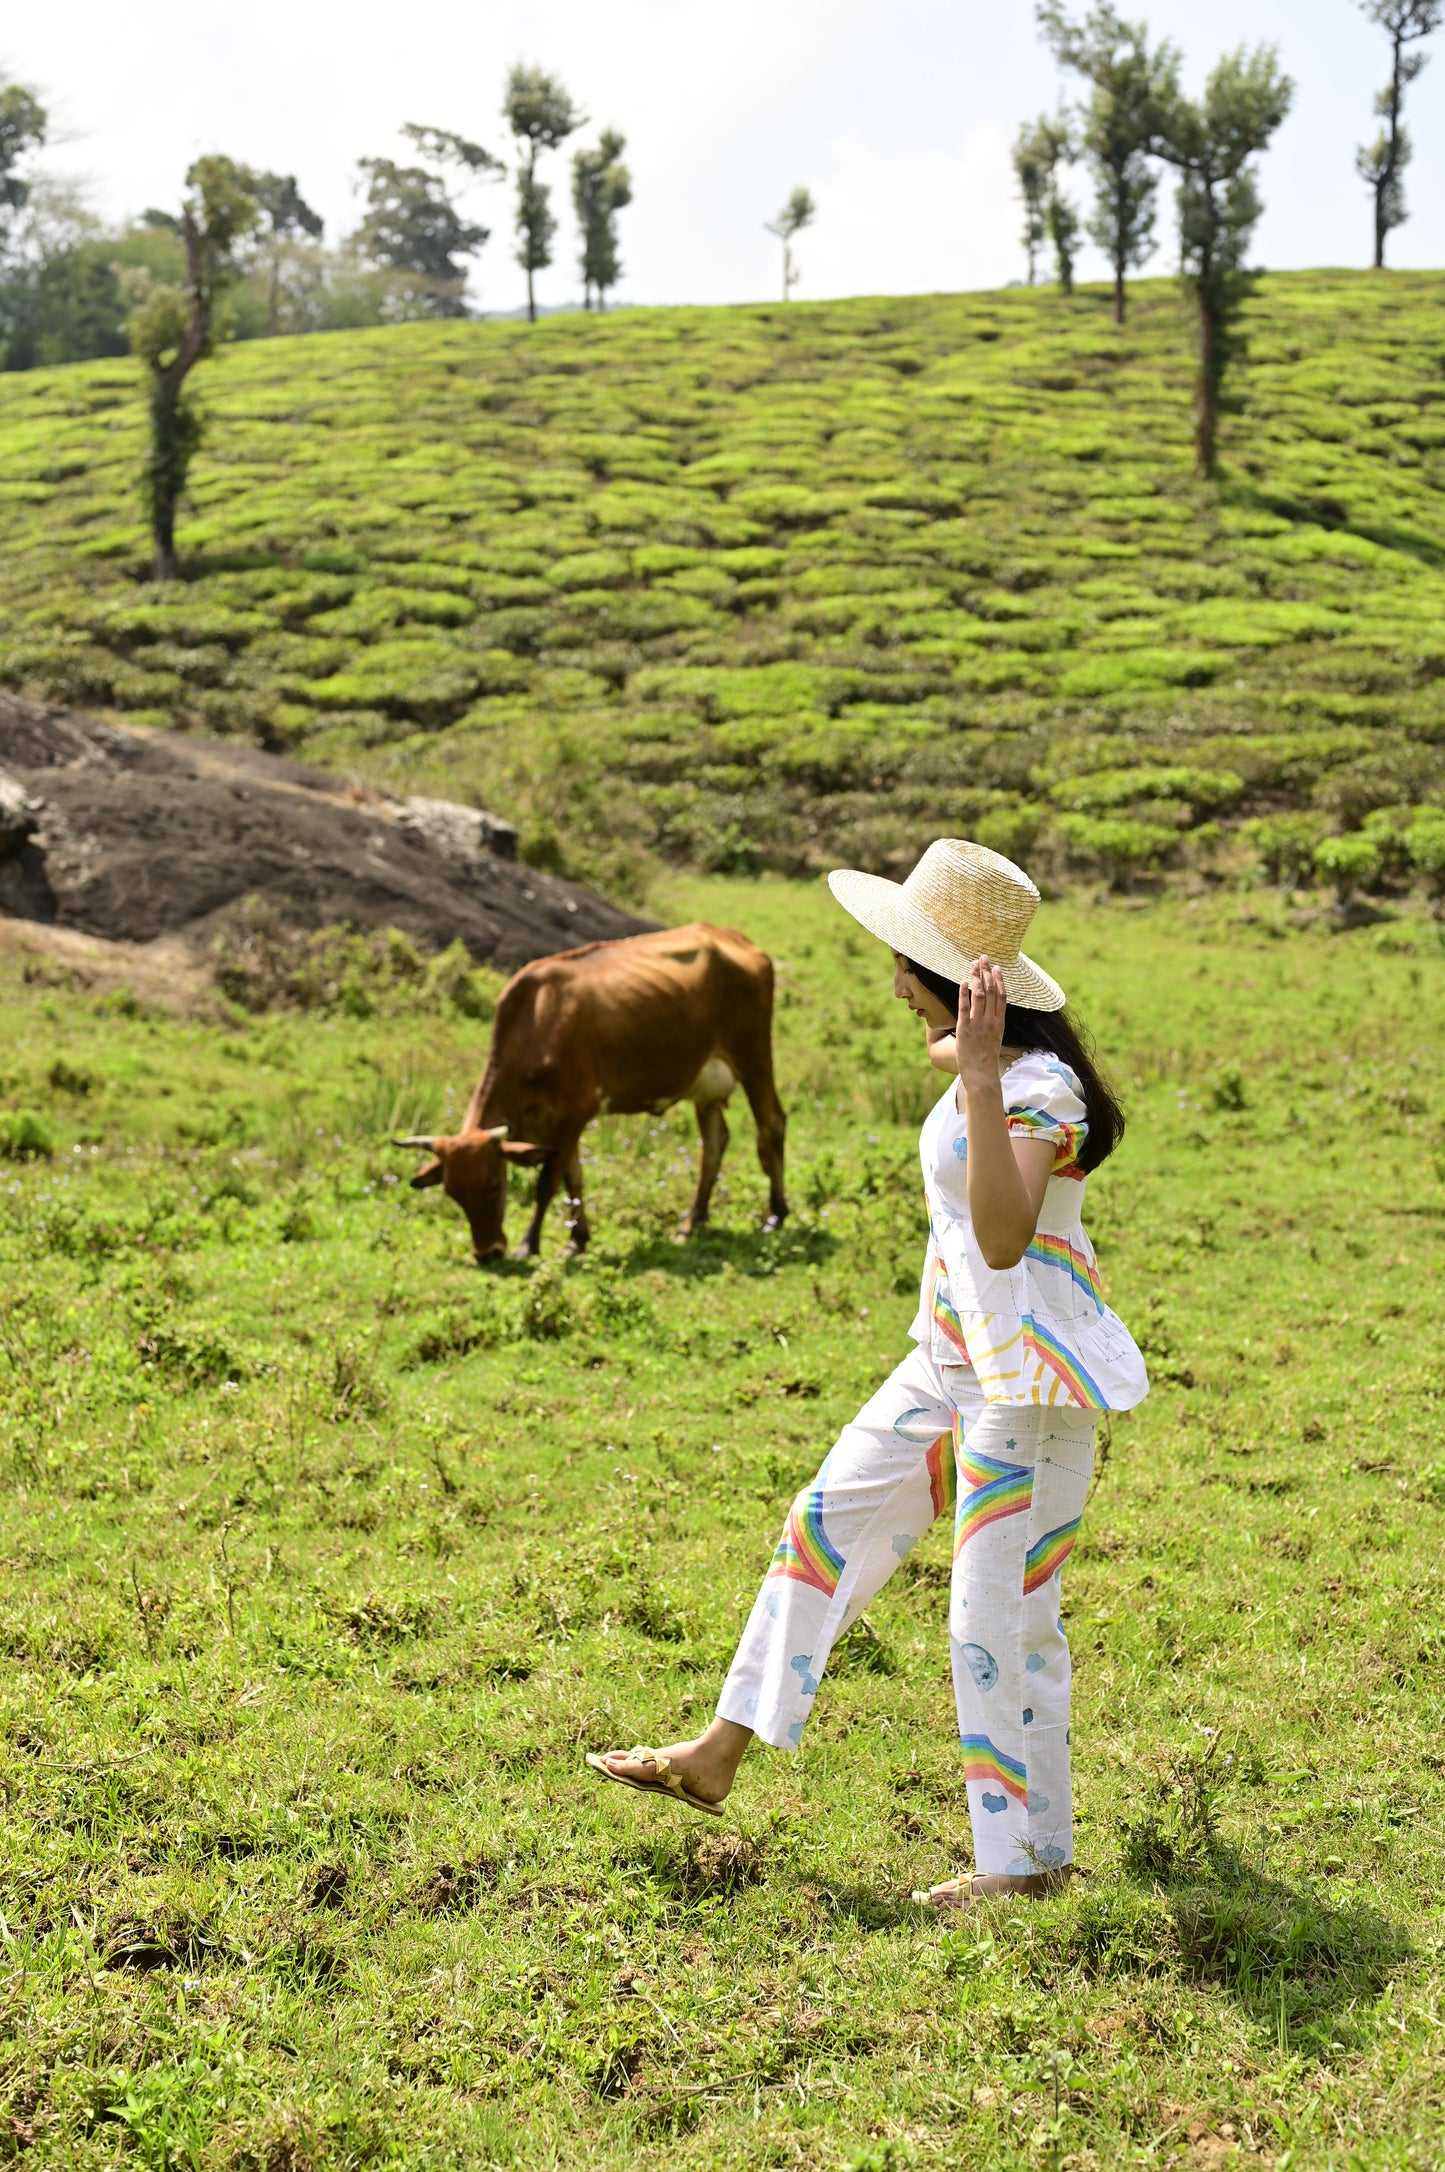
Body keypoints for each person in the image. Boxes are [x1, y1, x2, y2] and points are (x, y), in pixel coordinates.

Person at [587, 839, 1148, 1909]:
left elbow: (997, 1235)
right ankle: (717, 1751)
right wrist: (964, 1056)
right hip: (946, 1361)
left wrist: (978, 1071)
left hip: (1022, 1387)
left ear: (954, 981)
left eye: (906, 965)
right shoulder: (990, 1068)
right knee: (823, 1522)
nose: (893, 984)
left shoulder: (1040, 1093)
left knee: (998, 1621)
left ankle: (1020, 1866)